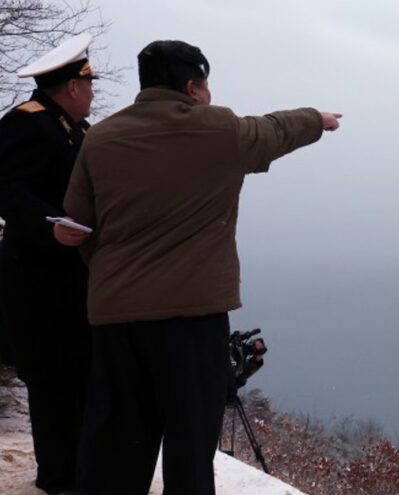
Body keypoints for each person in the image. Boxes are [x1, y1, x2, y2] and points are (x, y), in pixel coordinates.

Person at [55, 40, 341, 495]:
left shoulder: (100, 137)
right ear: (192, 87)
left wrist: (113, 278)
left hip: (116, 321)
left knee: (117, 447)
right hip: (192, 322)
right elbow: (275, 129)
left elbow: (77, 227)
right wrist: (318, 120)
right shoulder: (219, 130)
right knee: (190, 448)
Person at [0, 33, 96, 495]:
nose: (93, 94)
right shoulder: (26, 123)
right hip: (36, 278)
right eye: (89, 86)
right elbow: (6, 189)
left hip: (74, 279)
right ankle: (59, 478)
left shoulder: (78, 130)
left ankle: (81, 470)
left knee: (80, 373)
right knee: (53, 378)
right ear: (73, 88)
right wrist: (47, 226)